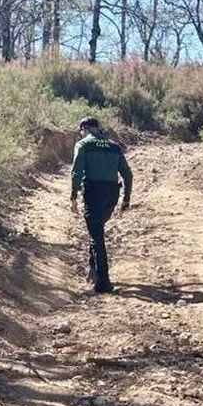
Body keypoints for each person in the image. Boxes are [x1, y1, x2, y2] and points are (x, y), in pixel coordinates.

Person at [69, 115, 133, 293]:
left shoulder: (83, 145)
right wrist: (126, 200)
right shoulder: (114, 146)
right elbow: (128, 175)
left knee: (97, 237)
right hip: (112, 195)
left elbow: (76, 171)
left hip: (93, 193)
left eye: (81, 132)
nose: (81, 135)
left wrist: (73, 196)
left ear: (84, 129)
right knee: (96, 229)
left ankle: (103, 281)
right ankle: (93, 271)